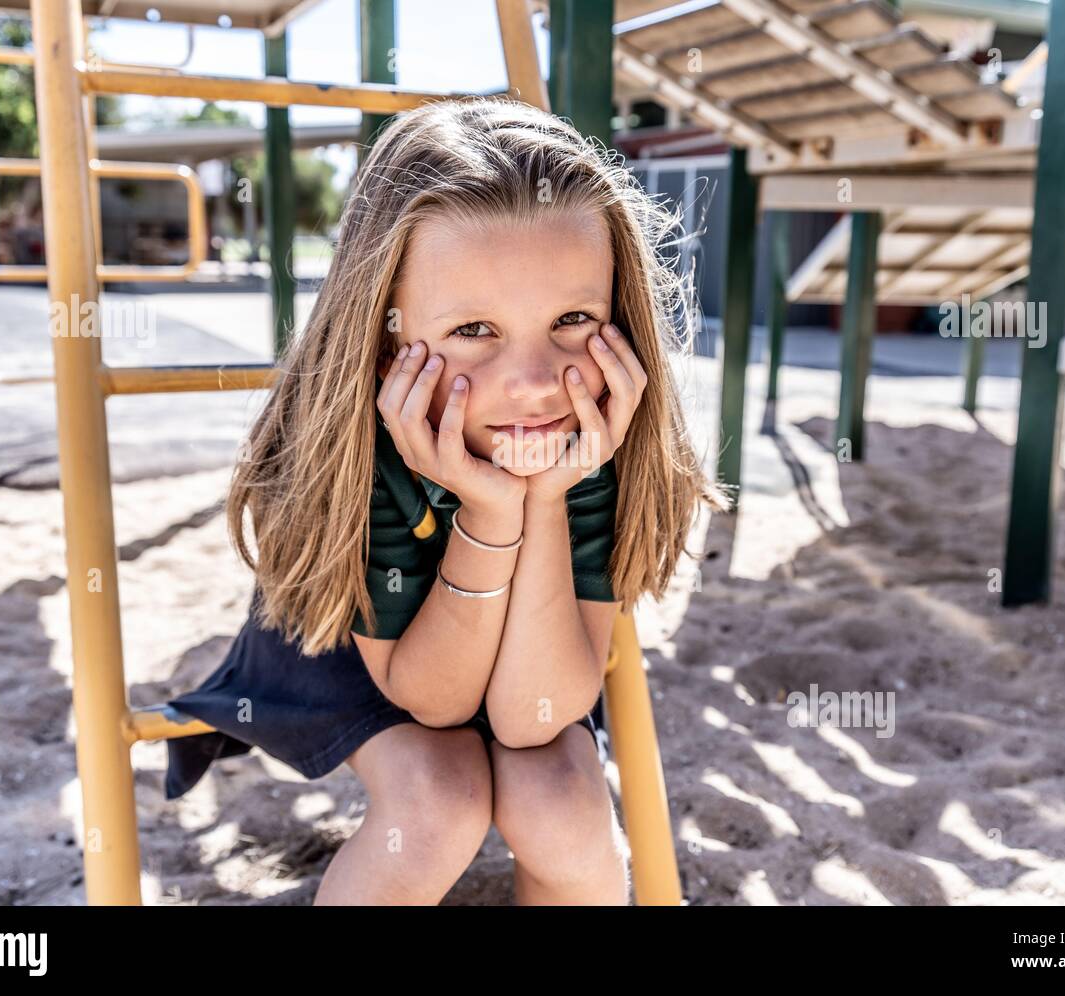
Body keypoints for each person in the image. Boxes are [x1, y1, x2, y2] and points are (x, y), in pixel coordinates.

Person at [162, 95, 730, 905]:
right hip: (339, 647)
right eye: (474, 330)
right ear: (388, 332)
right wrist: (493, 514)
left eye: (574, 318)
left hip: (524, 653)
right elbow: (433, 700)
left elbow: (535, 715)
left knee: (564, 805)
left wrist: (540, 501)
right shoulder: (361, 451)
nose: (534, 385)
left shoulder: (594, 434)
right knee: (438, 802)